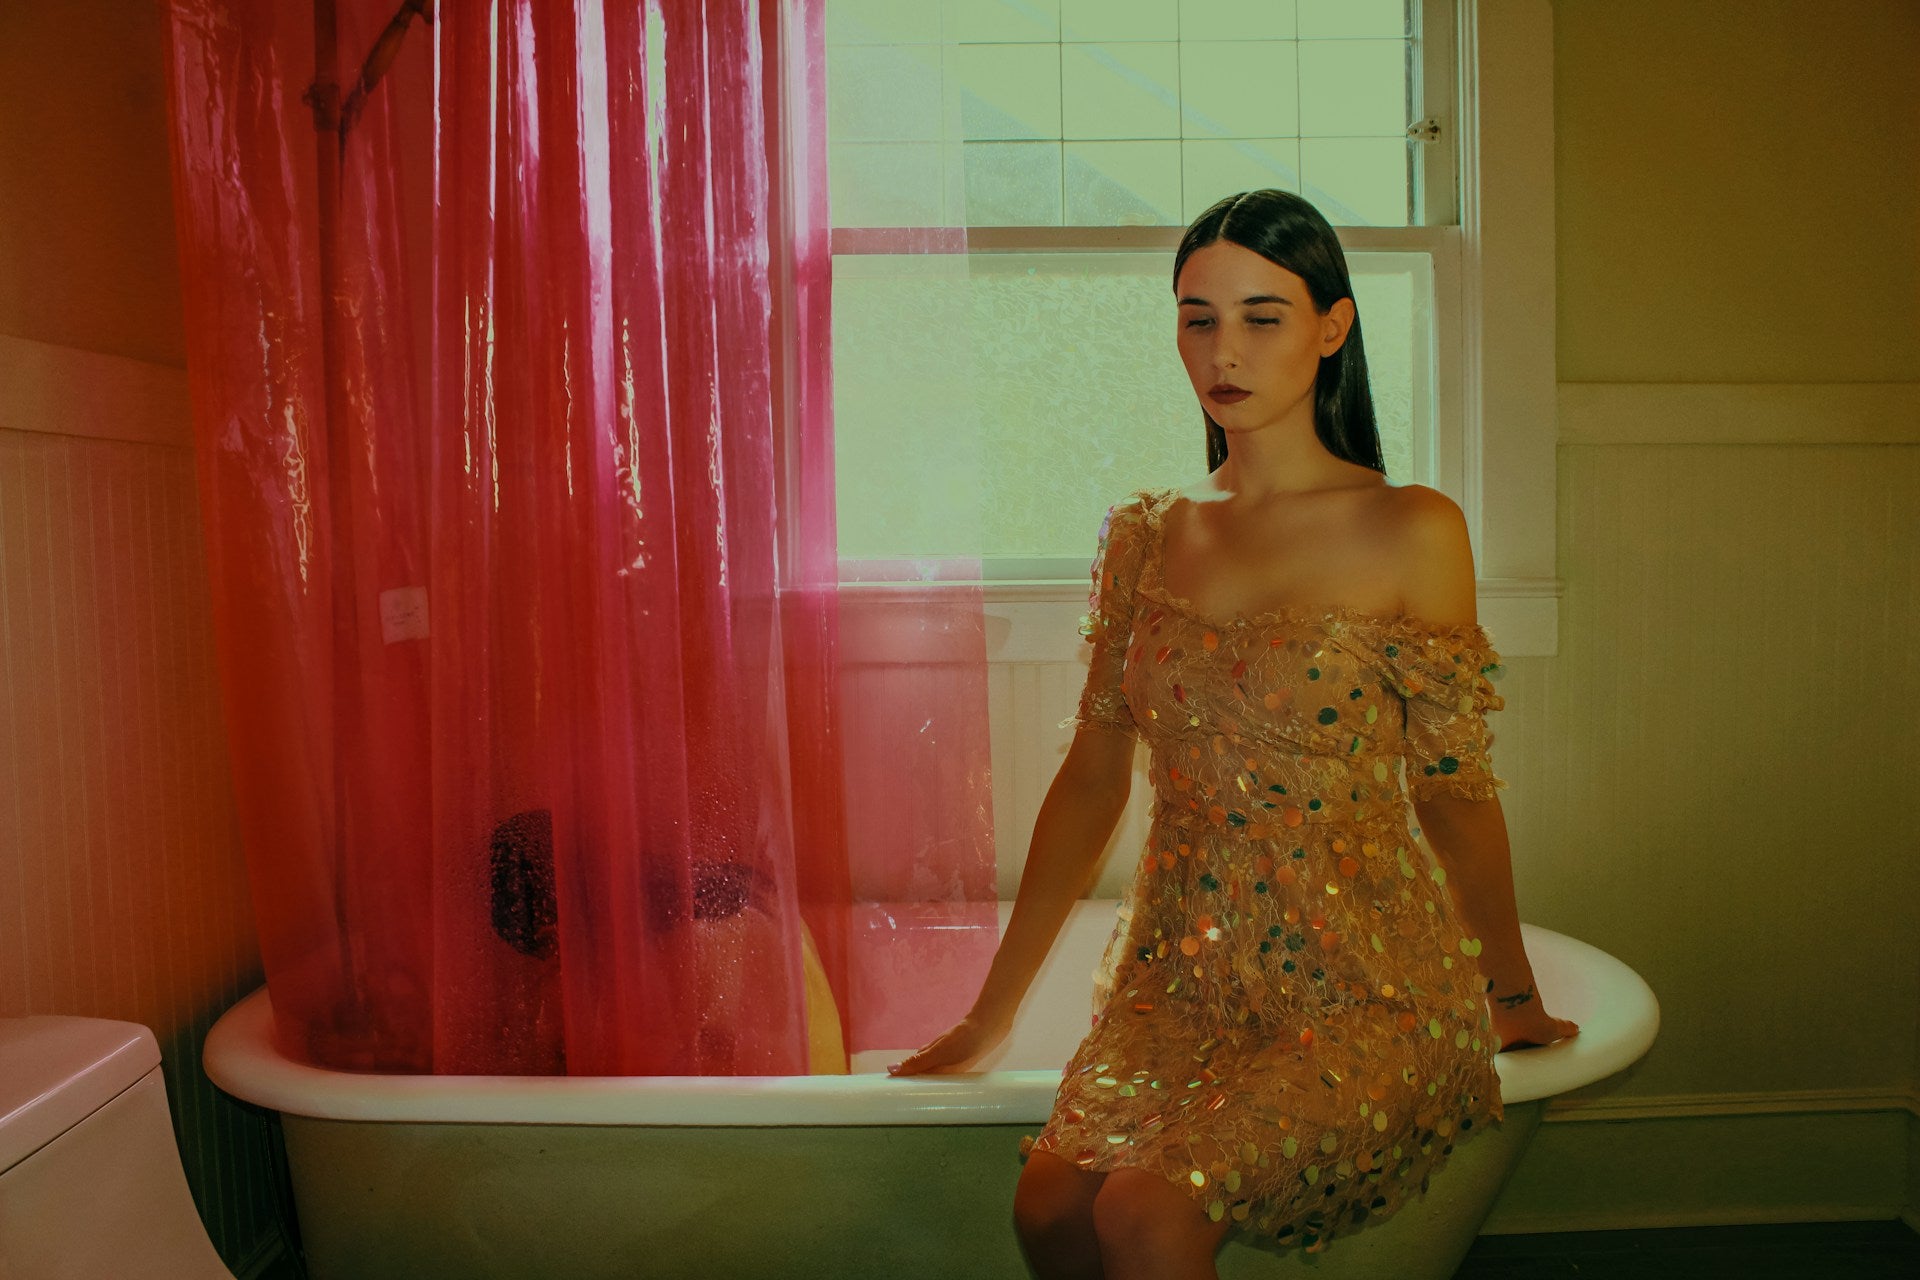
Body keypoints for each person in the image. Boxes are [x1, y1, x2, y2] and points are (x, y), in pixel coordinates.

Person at [886, 189, 1578, 1279]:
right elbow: (1092, 777)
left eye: (1263, 315)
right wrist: (991, 1013)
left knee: (1148, 1215)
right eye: (1198, 317)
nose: (1225, 349)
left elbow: (1452, 786)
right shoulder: (1147, 532)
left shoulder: (1412, 527)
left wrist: (1510, 986)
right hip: (1183, 977)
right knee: (1051, 1204)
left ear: (1332, 328)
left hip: (1365, 981)